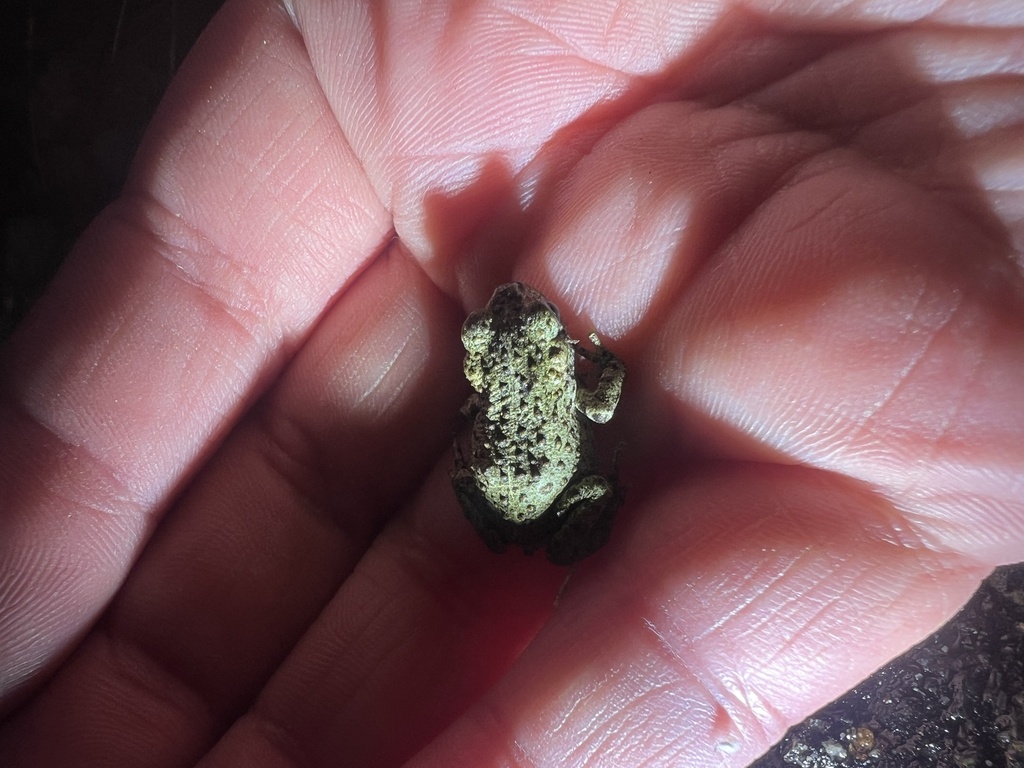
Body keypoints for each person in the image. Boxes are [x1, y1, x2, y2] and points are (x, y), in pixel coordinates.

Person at [1, 1, 1021, 765]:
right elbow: (601, 396)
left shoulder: (507, 360)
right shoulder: (534, 362)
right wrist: (598, 379)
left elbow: (525, 389)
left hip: (502, 490)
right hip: (528, 482)